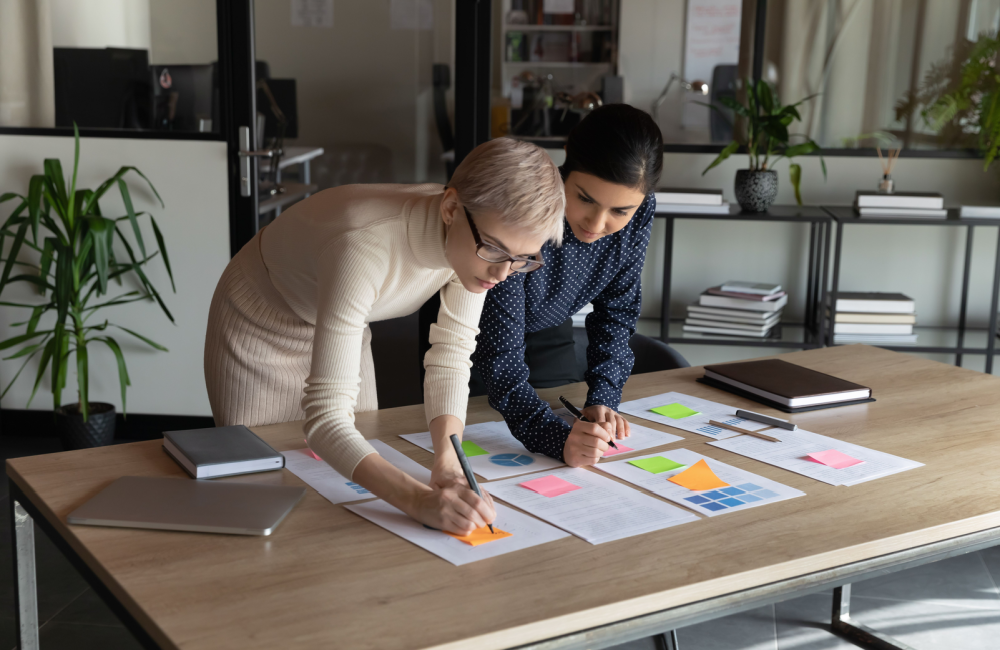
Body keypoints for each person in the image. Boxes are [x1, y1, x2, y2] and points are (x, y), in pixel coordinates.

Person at [204, 138, 565, 534]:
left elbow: (451, 355)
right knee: (269, 490)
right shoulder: (361, 246)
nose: (502, 273)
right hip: (261, 321)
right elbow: (325, 420)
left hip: (346, 319)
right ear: (450, 208)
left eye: (522, 259)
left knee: (347, 495)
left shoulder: (477, 247)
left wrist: (446, 460)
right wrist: (417, 500)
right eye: (496, 250)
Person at [472, 104, 663, 467]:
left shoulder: (641, 210)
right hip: (474, 335)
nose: (597, 223)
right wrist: (557, 440)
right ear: (564, 171)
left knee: (570, 424)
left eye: (620, 211)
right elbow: (499, 359)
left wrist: (603, 399)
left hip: (550, 324)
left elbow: (617, 310)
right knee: (482, 445)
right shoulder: (523, 204)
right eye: (585, 199)